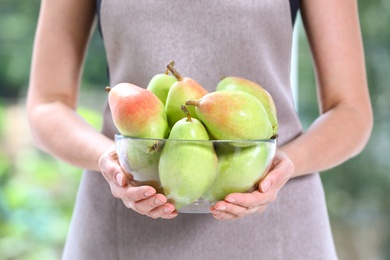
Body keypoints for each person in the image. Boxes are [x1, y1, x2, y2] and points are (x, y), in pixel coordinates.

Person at [27, 0, 372, 259]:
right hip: (125, 219)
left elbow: (351, 111)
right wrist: (107, 157)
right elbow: (46, 105)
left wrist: (287, 163)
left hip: (275, 224)